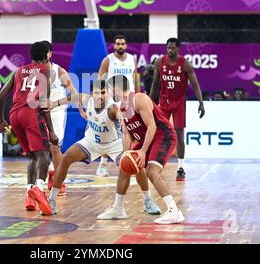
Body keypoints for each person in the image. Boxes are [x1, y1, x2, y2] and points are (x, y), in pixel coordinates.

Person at [47, 80, 160, 216]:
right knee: (65, 159)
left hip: (114, 143)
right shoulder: (86, 99)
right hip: (91, 141)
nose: (100, 96)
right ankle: (51, 199)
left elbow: (123, 117)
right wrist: (53, 104)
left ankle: (147, 200)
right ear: (91, 94)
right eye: (96, 93)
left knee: (135, 165)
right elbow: (73, 96)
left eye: (103, 93)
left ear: (108, 94)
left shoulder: (112, 109)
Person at [98, 75, 184, 224]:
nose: (110, 93)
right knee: (124, 168)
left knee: (152, 171)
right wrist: (125, 153)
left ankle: (174, 211)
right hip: (148, 140)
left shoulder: (138, 99)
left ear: (117, 89)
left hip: (163, 136)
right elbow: (126, 134)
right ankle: (118, 209)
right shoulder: (122, 107)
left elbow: (152, 126)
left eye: (111, 89)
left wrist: (143, 151)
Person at [0, 42, 59, 215]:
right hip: (31, 114)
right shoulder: (47, 71)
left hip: (14, 115)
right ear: (47, 55)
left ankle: (29, 196)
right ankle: (39, 189)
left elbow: (1, 97)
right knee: (44, 155)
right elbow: (44, 102)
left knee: (32, 156)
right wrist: (51, 130)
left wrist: (1, 120)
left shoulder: (18, 71)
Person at [149, 38, 205, 181]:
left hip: (179, 102)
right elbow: (155, 83)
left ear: (178, 49)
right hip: (164, 102)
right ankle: (153, 164)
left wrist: (201, 103)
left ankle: (181, 168)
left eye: (173, 48)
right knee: (158, 131)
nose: (170, 50)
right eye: (168, 47)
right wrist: (149, 101)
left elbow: (195, 84)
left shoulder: (185, 64)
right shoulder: (159, 62)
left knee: (179, 133)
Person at [42, 41, 80, 196]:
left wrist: (54, 103)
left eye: (45, 52)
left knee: (55, 147)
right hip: (38, 113)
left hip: (56, 113)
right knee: (39, 150)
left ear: (50, 54)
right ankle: (49, 172)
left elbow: (74, 95)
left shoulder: (59, 71)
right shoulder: (33, 73)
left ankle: (59, 182)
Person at [97, 35, 138, 177]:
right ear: (114, 45)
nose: (120, 46)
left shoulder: (132, 59)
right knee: (109, 131)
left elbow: (134, 78)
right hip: (112, 99)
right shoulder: (108, 60)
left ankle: (127, 159)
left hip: (128, 98)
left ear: (126, 45)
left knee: (129, 131)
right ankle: (102, 164)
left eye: (122, 43)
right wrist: (100, 97)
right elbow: (99, 80)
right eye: (117, 44)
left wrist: (136, 95)